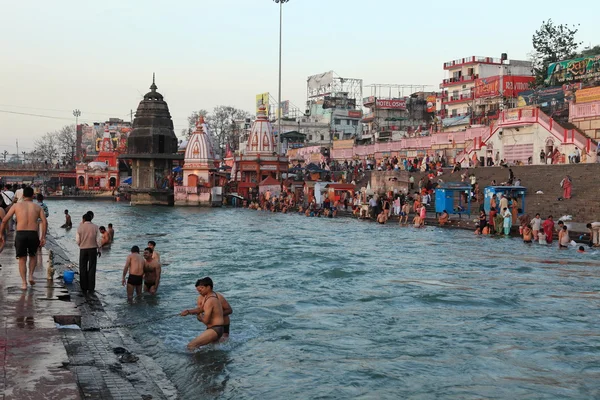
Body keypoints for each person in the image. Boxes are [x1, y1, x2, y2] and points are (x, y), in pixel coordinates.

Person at [0, 187, 47, 290]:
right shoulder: (38, 207)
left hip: (21, 234)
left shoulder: (16, 206)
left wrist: (1, 234)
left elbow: (4, 220)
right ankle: (30, 275)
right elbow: (44, 222)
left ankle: (24, 283)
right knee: (33, 255)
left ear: (23, 195)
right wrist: (43, 236)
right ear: (33, 195)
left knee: (22, 259)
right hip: (33, 234)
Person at [180, 277, 225, 350]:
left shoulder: (210, 300)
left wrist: (199, 317)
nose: (200, 292)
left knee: (191, 346)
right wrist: (188, 311)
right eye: (198, 290)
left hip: (215, 329)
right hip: (217, 328)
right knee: (213, 351)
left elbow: (206, 320)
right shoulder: (208, 297)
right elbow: (200, 309)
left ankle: (194, 361)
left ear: (208, 287)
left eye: (201, 289)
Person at [76, 213, 101, 294]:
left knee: (82, 267)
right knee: (92, 268)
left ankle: (83, 286)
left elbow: (77, 240)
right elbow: (98, 240)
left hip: (83, 249)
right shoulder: (95, 227)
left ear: (84, 219)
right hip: (93, 249)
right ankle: (91, 287)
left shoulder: (80, 227)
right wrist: (99, 250)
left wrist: (81, 245)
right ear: (91, 219)